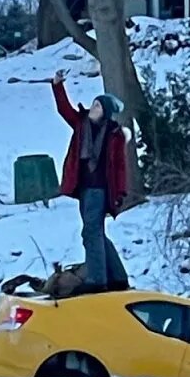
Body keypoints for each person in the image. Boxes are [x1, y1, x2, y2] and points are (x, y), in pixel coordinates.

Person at [50, 69, 130, 294]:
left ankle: (98, 279)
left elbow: (120, 166)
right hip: (83, 188)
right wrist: (57, 85)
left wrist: (121, 192)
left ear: (104, 112)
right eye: (93, 104)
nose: (93, 108)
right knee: (96, 232)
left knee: (90, 232)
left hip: (101, 189)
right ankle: (118, 276)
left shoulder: (114, 134)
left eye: (97, 106)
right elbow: (64, 109)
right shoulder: (81, 123)